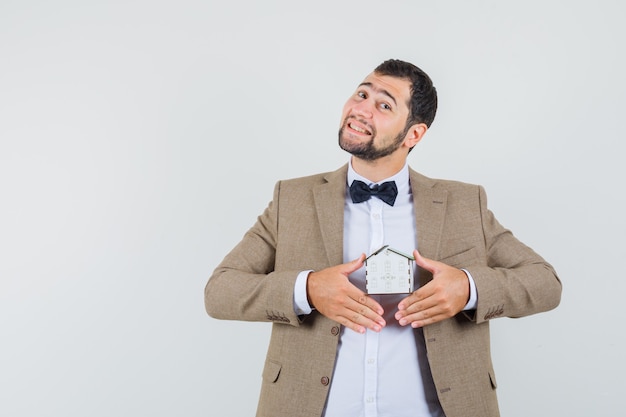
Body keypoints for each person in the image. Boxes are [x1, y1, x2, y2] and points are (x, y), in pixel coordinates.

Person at [204, 59, 562, 417]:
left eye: (384, 104)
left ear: (414, 134)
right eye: (362, 93)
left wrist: (468, 289)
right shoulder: (292, 199)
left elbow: (545, 282)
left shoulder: (463, 204)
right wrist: (308, 288)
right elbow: (220, 291)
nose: (361, 108)